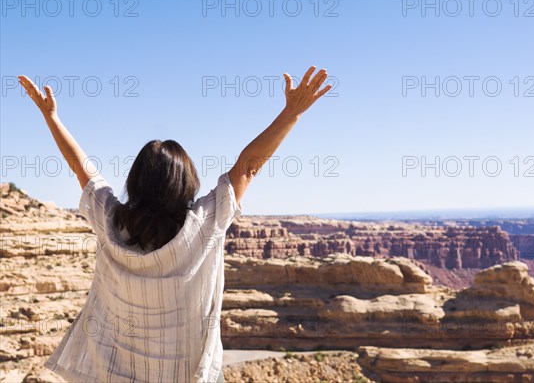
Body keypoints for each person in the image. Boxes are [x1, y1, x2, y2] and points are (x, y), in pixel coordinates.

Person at [18, 66, 332, 383]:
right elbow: (248, 168)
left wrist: (51, 117)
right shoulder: (206, 222)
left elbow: (80, 167)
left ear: (135, 181)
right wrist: (292, 113)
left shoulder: (110, 221)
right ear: (186, 181)